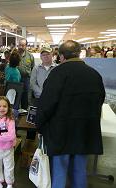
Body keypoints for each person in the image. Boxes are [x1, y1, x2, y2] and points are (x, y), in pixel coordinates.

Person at [35, 40, 105, 188]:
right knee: (80, 170)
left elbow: (47, 104)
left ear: (61, 56)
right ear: (79, 53)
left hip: (61, 132)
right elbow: (100, 100)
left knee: (59, 171)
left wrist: (39, 126)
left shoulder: (57, 74)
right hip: (85, 131)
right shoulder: (94, 74)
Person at [18, 38, 34, 109]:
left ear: (26, 46)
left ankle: (24, 110)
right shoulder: (14, 55)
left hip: (26, 79)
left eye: (23, 45)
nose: (21, 47)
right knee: (17, 95)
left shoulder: (30, 56)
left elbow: (33, 68)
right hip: (16, 79)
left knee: (25, 96)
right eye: (19, 45)